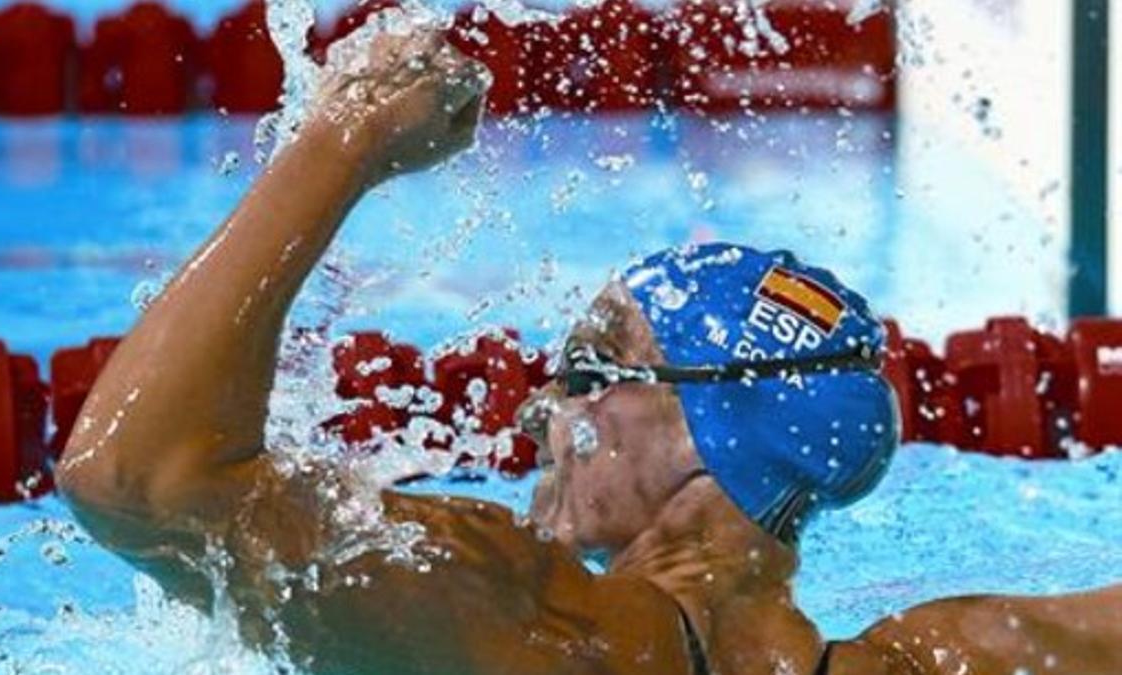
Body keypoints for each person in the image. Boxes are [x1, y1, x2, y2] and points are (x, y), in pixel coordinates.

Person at [55, 27, 1122, 675]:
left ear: (708, 440)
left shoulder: (547, 629)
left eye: (587, 370)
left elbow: (138, 478)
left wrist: (347, 140)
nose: (539, 411)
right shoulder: (960, 652)